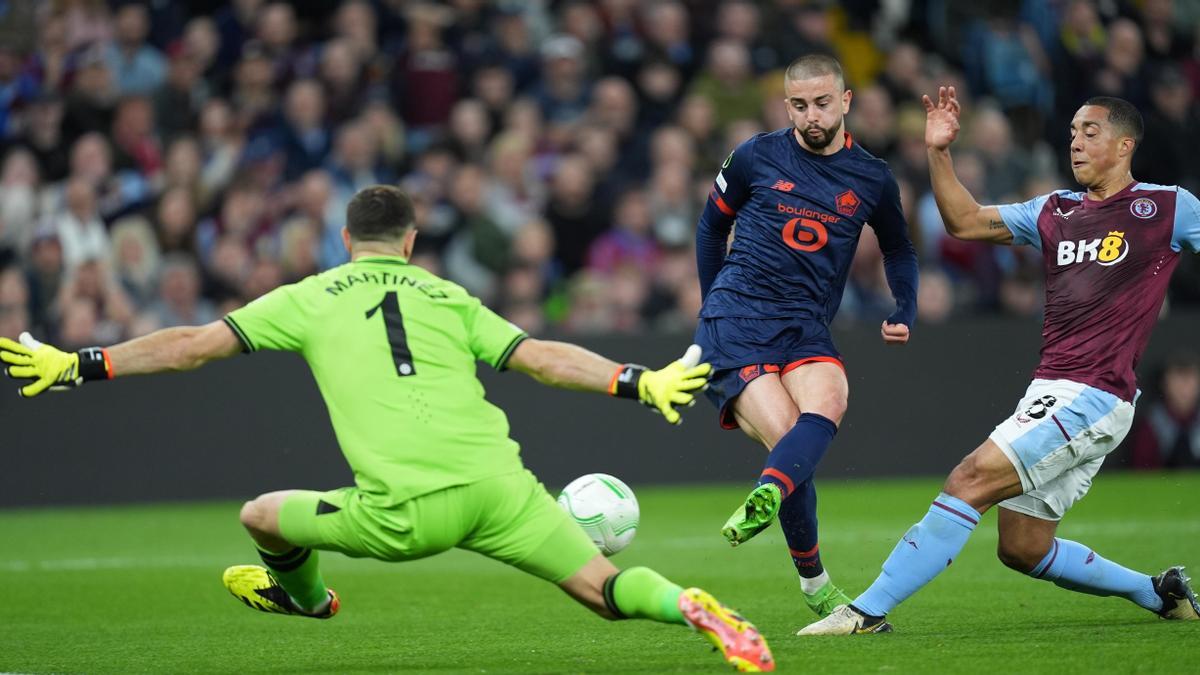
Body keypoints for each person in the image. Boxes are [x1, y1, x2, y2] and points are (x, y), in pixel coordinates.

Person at [0, 185, 775, 672]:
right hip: (503, 488)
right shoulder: (445, 295)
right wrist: (639, 381)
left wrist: (81, 363)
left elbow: (189, 346)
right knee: (605, 591)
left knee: (261, 515)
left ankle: (308, 601)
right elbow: (539, 357)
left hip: (407, 509)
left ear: (347, 240)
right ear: (410, 242)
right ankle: (692, 607)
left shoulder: (310, 294)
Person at [799, 90, 1200, 636]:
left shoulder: (1168, 207)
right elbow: (964, 221)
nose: (1075, 142)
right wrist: (939, 153)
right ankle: (1159, 595)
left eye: (1090, 132)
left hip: (1095, 392)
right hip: (1052, 391)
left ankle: (865, 611)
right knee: (1023, 547)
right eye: (1073, 131)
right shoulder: (1055, 211)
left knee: (968, 478)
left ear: (1125, 144)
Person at [693, 54, 918, 619]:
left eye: (822, 103)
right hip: (738, 318)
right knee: (790, 439)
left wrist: (906, 306)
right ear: (785, 105)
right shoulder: (754, 156)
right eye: (799, 105)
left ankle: (771, 495)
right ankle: (816, 585)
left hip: (804, 323)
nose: (811, 116)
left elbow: (898, 248)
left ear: (845, 101)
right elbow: (710, 225)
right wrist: (713, 305)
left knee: (830, 401)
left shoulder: (871, 176)